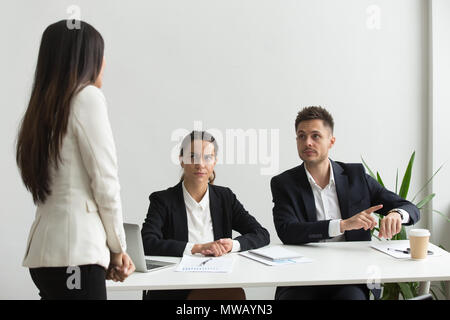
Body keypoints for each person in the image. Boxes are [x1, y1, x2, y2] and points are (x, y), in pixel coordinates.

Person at [16, 20, 135, 300]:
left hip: (44, 256)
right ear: (85, 59)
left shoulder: (42, 109)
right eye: (99, 54)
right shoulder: (87, 98)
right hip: (77, 254)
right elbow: (105, 182)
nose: (104, 62)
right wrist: (117, 249)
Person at [271, 106, 420, 300]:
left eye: (315, 136)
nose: (307, 142)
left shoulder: (356, 177)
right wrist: (342, 225)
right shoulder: (284, 183)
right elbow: (287, 230)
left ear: (331, 141)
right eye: (301, 136)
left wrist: (396, 214)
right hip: (302, 277)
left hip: (350, 277)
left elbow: (410, 208)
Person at [141, 130, 270, 300]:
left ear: (215, 162)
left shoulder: (225, 198)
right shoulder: (163, 200)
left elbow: (261, 234)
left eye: (208, 157)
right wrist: (197, 248)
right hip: (173, 286)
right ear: (181, 160)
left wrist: (232, 245)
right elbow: (147, 242)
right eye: (193, 156)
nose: (200, 164)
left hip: (217, 281)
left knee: (233, 295)